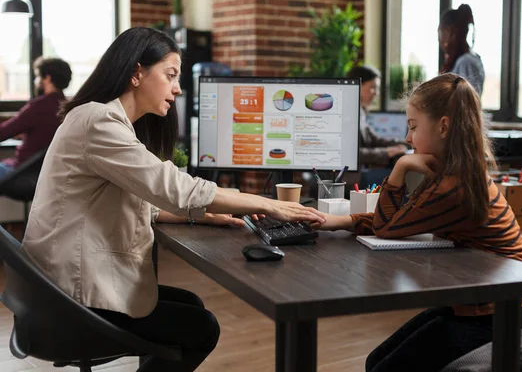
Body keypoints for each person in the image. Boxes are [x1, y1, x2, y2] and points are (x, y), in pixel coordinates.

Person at [20, 27, 326, 372]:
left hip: (57, 289)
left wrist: (198, 216)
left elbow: (138, 199)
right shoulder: (98, 121)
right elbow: (177, 188)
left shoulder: (100, 120)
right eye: (170, 75)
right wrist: (267, 204)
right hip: (69, 299)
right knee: (201, 327)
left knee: (191, 305)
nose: (178, 88)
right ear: (137, 72)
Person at [315, 73, 522, 372]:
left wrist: (400, 167)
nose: (407, 138)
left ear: (443, 126)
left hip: (499, 316)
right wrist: (340, 221)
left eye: (413, 127)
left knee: (381, 368)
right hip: (482, 303)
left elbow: (387, 227)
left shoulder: (454, 187)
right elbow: (402, 218)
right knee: (375, 361)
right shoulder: (453, 173)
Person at [0, 57, 72, 178]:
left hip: (22, 172)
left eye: (38, 76)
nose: (36, 81)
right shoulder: (68, 106)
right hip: (49, 173)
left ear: (47, 78)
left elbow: (3, 133)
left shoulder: (38, 106)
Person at [347, 65, 409, 168]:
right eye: (373, 87)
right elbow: (350, 154)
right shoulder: (347, 114)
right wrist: (386, 152)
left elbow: (375, 139)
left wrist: (407, 143)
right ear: (358, 85)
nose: (377, 93)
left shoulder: (360, 111)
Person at [439, 4, 485, 97]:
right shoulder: (471, 58)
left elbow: (466, 104)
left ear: (449, 31)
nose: (439, 39)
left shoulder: (465, 62)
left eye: (439, 32)